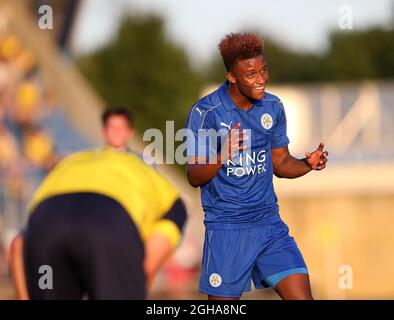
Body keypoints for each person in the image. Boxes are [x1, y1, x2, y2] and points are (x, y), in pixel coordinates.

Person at [185, 33, 328, 300]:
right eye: (251, 74)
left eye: (263, 71)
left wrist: (307, 164)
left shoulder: (273, 107)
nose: (261, 79)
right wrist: (222, 154)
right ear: (232, 77)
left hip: (269, 225)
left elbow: (281, 163)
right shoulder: (206, 113)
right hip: (227, 229)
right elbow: (194, 175)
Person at [9, 107, 187, 299]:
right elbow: (176, 212)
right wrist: (140, 272)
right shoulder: (142, 168)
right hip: (107, 221)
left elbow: (19, 244)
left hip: (47, 225)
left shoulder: (71, 162)